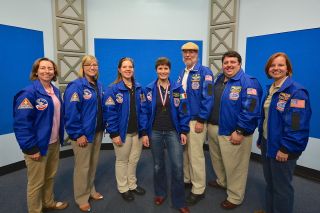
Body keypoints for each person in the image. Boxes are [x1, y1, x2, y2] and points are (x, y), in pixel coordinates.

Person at [257, 52, 311, 213]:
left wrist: (286, 148)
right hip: (268, 143)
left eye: (280, 65)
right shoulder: (272, 89)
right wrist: (261, 138)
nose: (276, 68)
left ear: (288, 69)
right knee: (271, 183)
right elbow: (267, 118)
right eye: (272, 65)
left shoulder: (296, 92)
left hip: (283, 147)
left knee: (282, 188)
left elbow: (297, 125)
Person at [207, 51, 262, 209]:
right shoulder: (220, 79)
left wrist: (239, 130)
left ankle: (235, 196)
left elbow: (251, 110)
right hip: (215, 128)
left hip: (234, 132)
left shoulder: (248, 82)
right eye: (226, 62)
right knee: (217, 160)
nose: (229, 65)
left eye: (233, 62)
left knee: (235, 166)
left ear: (239, 64)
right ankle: (222, 181)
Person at [13, 57, 68, 213]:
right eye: (42, 68)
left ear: (54, 72)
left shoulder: (55, 91)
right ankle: (35, 210)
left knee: (50, 176)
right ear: (36, 72)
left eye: (50, 68)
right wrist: (31, 148)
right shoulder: (28, 93)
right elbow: (22, 125)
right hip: (37, 146)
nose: (47, 71)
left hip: (54, 142)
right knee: (36, 182)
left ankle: (48, 202)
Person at [142, 57, 190, 213]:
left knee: (177, 166)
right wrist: (144, 133)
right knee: (158, 166)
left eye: (166, 68)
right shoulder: (149, 89)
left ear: (170, 70)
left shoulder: (178, 89)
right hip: (154, 132)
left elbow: (184, 110)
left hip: (172, 132)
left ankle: (179, 201)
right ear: (156, 70)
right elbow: (144, 112)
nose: (163, 71)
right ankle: (160, 193)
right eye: (160, 68)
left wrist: (183, 130)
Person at [103, 57, 148, 202]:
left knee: (134, 160)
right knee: (122, 160)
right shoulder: (112, 89)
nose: (128, 69)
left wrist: (144, 131)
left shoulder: (139, 88)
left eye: (130, 67)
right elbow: (109, 113)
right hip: (122, 133)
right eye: (125, 67)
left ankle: (132, 184)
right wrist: (114, 133)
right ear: (119, 70)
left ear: (133, 69)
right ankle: (123, 187)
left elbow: (143, 112)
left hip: (138, 133)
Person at [64, 55, 104, 212]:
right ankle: (81, 198)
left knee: (92, 164)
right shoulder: (76, 86)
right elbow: (71, 113)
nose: (92, 67)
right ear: (83, 67)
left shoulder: (98, 85)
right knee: (82, 167)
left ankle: (90, 190)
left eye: (95, 64)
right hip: (83, 134)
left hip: (98, 131)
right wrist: (77, 134)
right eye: (89, 65)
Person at [177, 42, 214, 205]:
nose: (188, 55)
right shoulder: (182, 72)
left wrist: (201, 119)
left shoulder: (205, 72)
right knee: (185, 153)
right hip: (183, 121)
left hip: (196, 121)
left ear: (197, 54)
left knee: (196, 155)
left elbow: (209, 97)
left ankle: (198, 188)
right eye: (185, 52)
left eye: (191, 52)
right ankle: (187, 179)